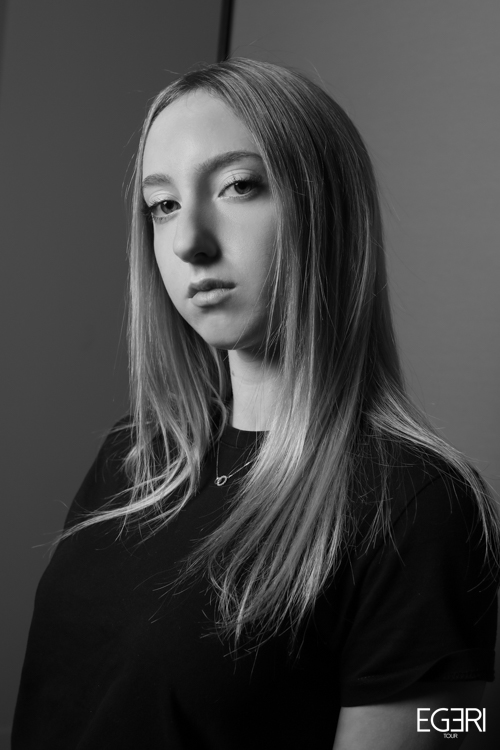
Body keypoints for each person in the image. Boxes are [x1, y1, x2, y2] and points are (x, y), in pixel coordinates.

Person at [12, 58, 500, 749]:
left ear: (325, 207)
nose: (188, 242)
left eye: (238, 186)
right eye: (163, 205)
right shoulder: (136, 455)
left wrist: (460, 721)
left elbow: (454, 722)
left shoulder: (420, 504)